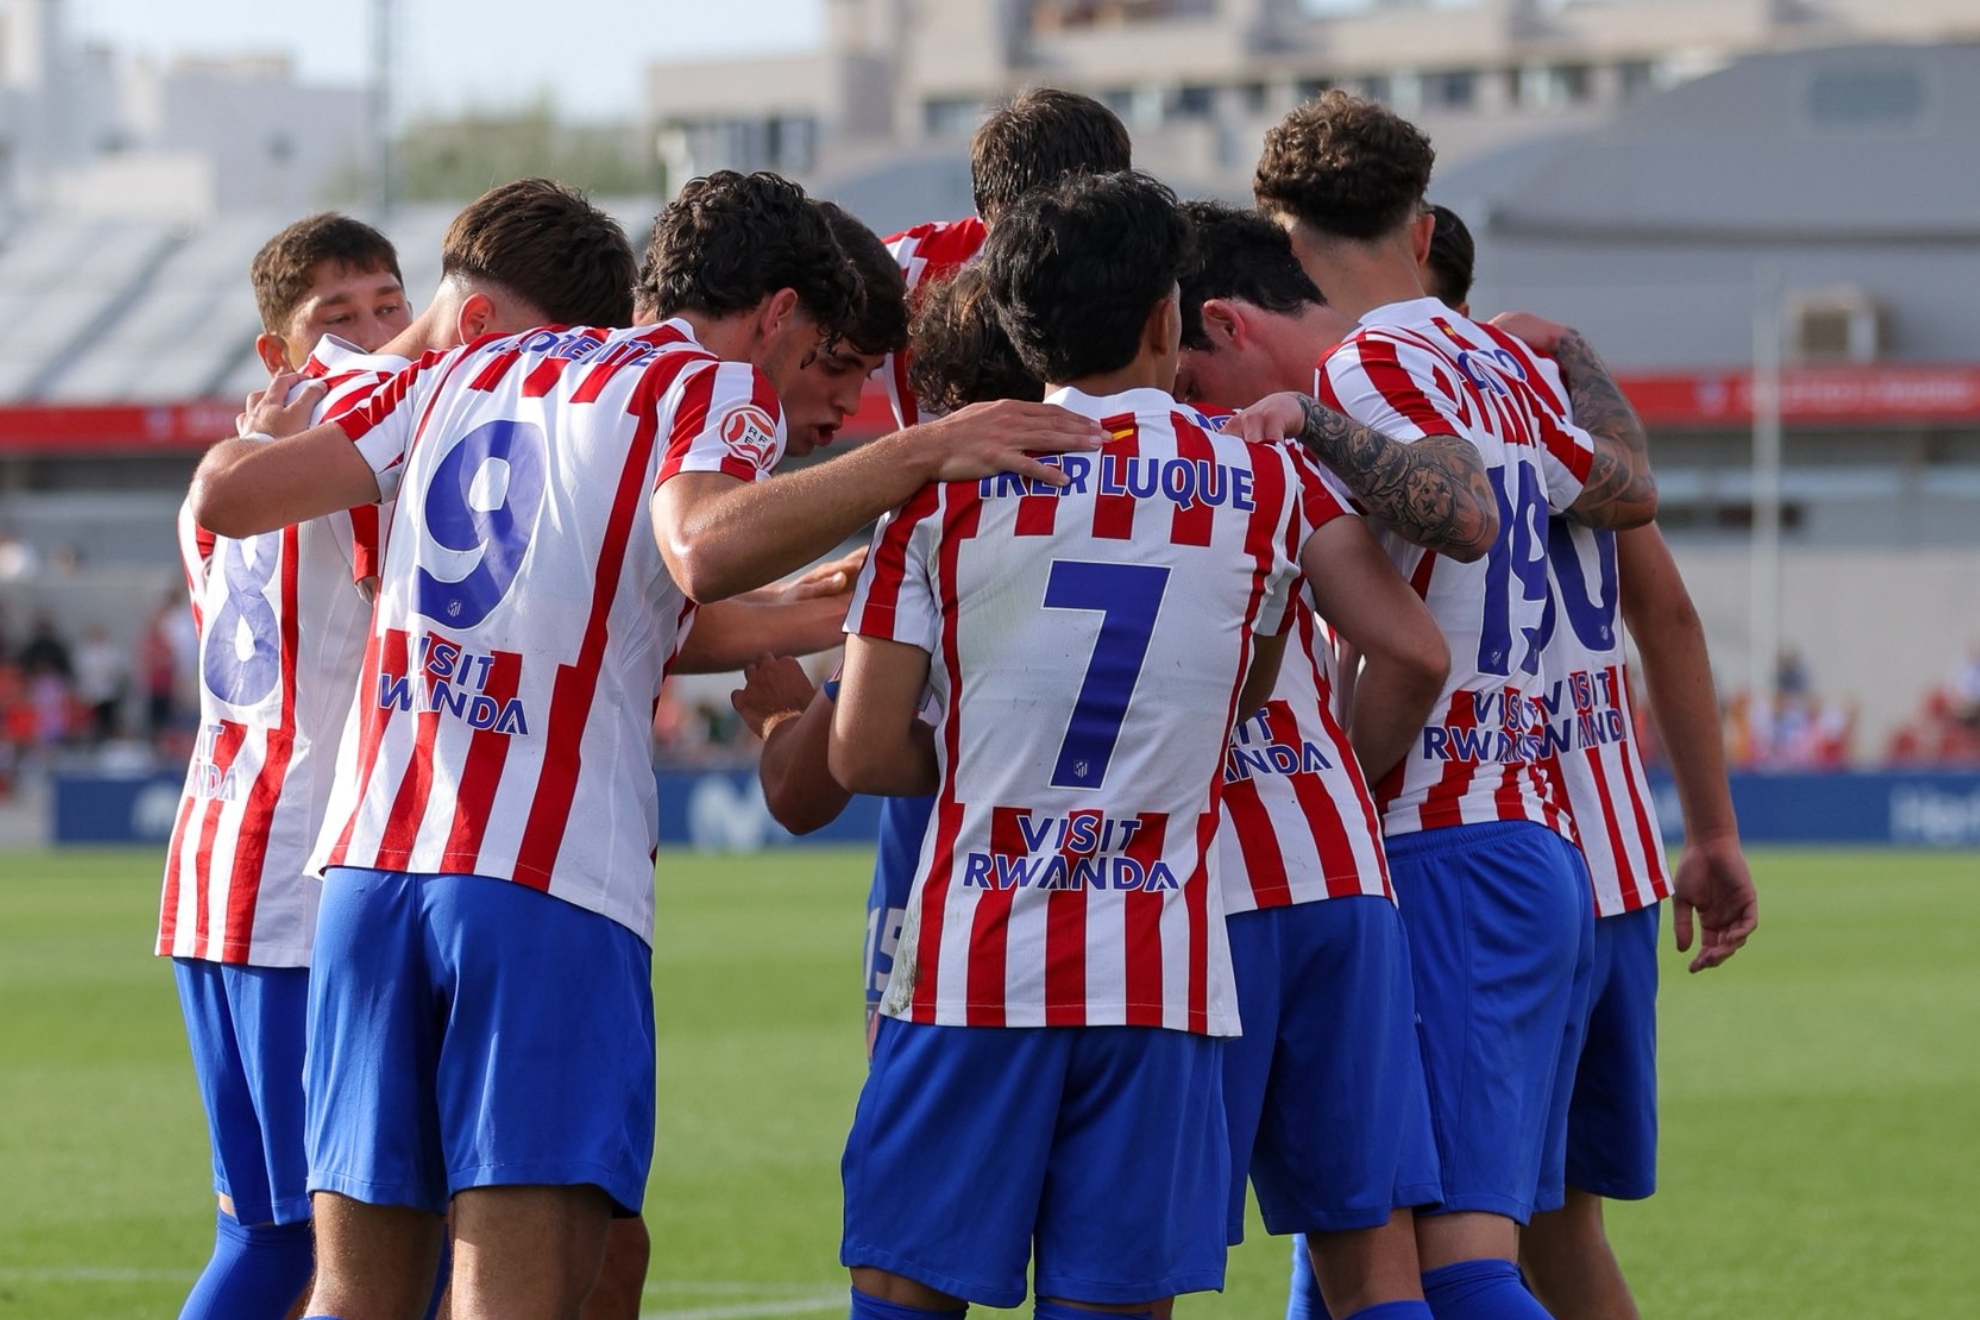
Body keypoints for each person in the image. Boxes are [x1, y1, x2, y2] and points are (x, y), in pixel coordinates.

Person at [190, 169, 1101, 1320]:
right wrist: (918, 455)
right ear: (777, 315)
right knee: (515, 1297)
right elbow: (703, 547)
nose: (818, 391)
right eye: (820, 349)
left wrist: (818, 607)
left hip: (372, 875)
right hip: (542, 886)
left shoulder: (468, 367)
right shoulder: (711, 387)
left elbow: (240, 499)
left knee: (353, 1299)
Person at [828, 167, 1432, 1320]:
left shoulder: (942, 494)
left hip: (975, 966)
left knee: (902, 1295)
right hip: (1161, 973)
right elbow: (1248, 701)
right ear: (1167, 315)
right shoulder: (1260, 481)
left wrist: (975, 770)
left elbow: (860, 753)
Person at [1240, 90, 1660, 1320]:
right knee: (1363, 1255)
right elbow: (1628, 487)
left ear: (1280, 232)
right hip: (1537, 835)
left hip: (1445, 834)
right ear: (1421, 226)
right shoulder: (1500, 363)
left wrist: (1314, 421)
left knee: (1461, 1272)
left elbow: (1461, 514)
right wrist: (1572, 349)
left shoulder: (1363, 366)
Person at [1414, 213, 1759, 1320]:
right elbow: (1669, 609)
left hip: (1477, 863)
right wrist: (1710, 832)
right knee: (1557, 1240)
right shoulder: (1550, 404)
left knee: (1402, 1220)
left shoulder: (1394, 410)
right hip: (1607, 869)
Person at [1173, 200, 1456, 1320]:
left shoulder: (1200, 450)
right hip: (1344, 872)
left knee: (1136, 1270)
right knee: (1375, 1269)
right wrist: (1342, 763)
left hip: (1200, 896)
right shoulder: (1303, 454)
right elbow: (1414, 649)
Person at [157, 211, 413, 1320]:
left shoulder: (232, 470)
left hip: (214, 873)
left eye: (389, 305)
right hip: (292, 892)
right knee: (314, 1241)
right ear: (281, 351)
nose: (373, 334)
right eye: (337, 318)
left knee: (265, 1233)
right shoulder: (349, 469)